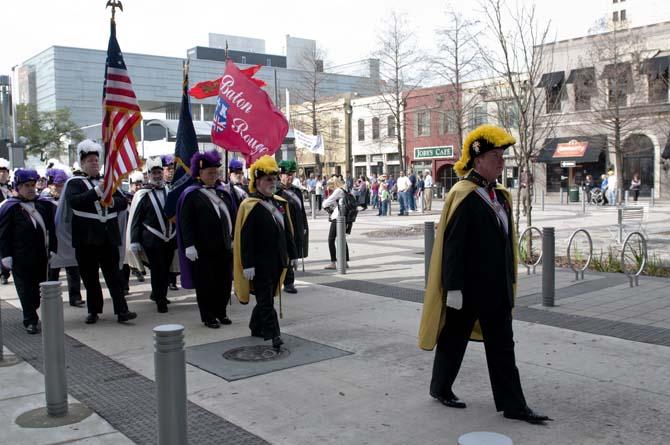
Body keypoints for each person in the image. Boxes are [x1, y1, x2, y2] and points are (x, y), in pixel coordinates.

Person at [419, 124, 551, 425]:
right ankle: (440, 387)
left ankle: (513, 405)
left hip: (496, 290)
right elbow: (452, 247)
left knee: (503, 346)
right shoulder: (464, 196)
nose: (501, 162)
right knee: (453, 340)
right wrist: (452, 288)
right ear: (478, 160)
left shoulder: (500, 196)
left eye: (502, 156)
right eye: (496, 156)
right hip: (468, 289)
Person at [54, 139, 136, 325]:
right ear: (82, 163)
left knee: (114, 276)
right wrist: (98, 191)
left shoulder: (107, 182)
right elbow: (76, 202)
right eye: (90, 160)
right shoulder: (74, 182)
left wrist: (112, 200)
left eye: (96, 160)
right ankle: (93, 311)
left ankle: (122, 310)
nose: (94, 163)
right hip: (86, 239)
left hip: (108, 237)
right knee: (90, 278)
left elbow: (122, 202)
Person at [233, 155, 297, 350]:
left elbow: (287, 231)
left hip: (278, 259)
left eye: (274, 179)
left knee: (267, 297)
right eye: (268, 179)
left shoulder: (279, 203)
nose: (273, 183)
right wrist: (248, 263)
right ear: (257, 181)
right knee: (266, 300)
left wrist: (292, 255)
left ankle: (255, 325)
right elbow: (245, 238)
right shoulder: (249, 205)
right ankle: (274, 335)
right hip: (259, 262)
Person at [177, 150, 236, 328]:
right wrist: (189, 245)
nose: (213, 175)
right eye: (209, 172)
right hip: (202, 249)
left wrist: (233, 238)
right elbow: (186, 222)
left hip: (224, 246)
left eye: (215, 172)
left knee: (224, 283)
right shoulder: (192, 194)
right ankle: (208, 316)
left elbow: (231, 217)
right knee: (206, 285)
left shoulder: (223, 193)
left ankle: (221, 312)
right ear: (199, 173)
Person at [0, 169, 57, 334]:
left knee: (37, 292)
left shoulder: (43, 205)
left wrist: (53, 248)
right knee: (25, 290)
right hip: (20, 257)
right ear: (18, 187)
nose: (31, 189)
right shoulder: (10, 207)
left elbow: (52, 229)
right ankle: (30, 320)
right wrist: (6, 256)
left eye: (33, 185)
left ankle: (32, 310)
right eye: (27, 185)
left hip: (41, 256)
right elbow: (3, 234)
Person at [128, 157, 175, 313]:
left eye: (159, 172)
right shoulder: (142, 193)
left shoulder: (170, 190)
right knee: (157, 269)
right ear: (148, 174)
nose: (157, 175)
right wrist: (134, 240)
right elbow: (135, 218)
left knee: (166, 269)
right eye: (154, 173)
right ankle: (160, 301)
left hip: (169, 238)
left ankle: (158, 294)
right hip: (151, 238)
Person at [44, 168, 85, 308]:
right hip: (53, 240)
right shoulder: (44, 201)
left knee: (73, 269)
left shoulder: (68, 199)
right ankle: (50, 297)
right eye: (56, 185)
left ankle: (75, 297)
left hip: (67, 238)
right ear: (50, 185)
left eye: (62, 185)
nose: (59, 188)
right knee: (52, 271)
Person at [275, 160, 309, 294]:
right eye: (287, 174)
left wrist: (304, 226)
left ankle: (289, 280)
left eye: (292, 174)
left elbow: (302, 211)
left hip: (297, 226)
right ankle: (288, 282)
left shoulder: (297, 191)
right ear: (281, 175)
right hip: (285, 227)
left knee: (293, 253)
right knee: (287, 254)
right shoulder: (277, 191)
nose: (290, 177)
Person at [322, 176, 352, 269]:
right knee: (342, 239)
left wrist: (326, 200)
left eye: (331, 185)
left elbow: (325, 203)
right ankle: (345, 262)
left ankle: (333, 262)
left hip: (337, 218)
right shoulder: (344, 190)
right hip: (344, 217)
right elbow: (337, 203)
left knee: (331, 239)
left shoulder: (338, 190)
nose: (330, 187)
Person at [0, 158, 13, 285]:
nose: (3, 174)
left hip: (8, 223)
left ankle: (5, 272)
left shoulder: (10, 188)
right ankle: (3, 273)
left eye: (5, 172)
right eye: (0, 171)